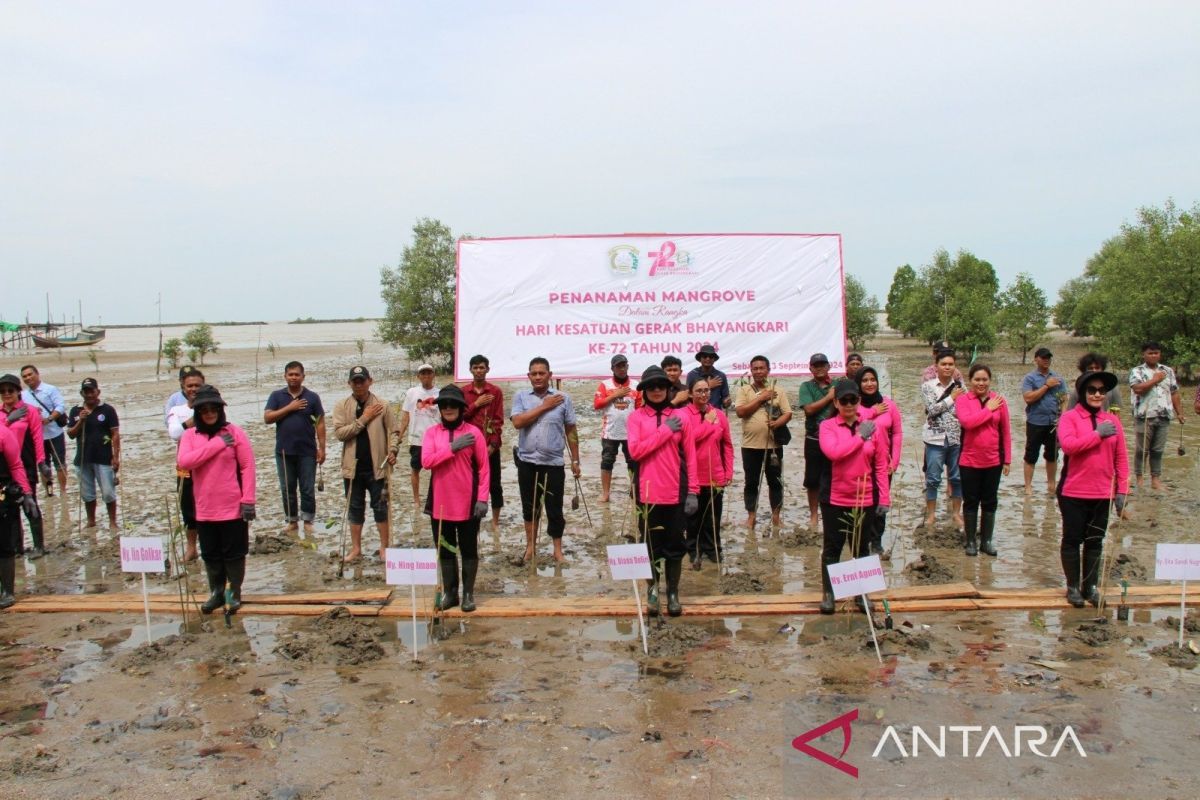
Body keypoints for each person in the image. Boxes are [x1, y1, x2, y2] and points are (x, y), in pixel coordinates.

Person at [176, 385, 256, 615]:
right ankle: (216, 593)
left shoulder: (235, 432)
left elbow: (247, 466)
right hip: (204, 507)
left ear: (220, 410)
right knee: (211, 553)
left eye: (214, 409)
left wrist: (248, 499)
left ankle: (233, 594)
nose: (209, 413)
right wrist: (218, 444)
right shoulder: (190, 436)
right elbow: (186, 462)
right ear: (198, 413)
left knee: (234, 554)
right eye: (204, 410)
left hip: (232, 506)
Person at [627, 366, 698, 616]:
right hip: (647, 493)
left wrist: (693, 491)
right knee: (650, 546)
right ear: (644, 391)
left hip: (675, 492)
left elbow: (691, 458)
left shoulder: (683, 417)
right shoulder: (635, 418)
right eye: (651, 387)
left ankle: (674, 593)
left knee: (676, 546)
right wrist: (665, 430)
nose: (656, 390)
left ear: (669, 389)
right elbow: (636, 451)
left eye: (661, 386)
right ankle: (653, 590)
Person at [817, 379, 889, 614]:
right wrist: (860, 437)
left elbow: (880, 465)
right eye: (844, 400)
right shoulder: (827, 426)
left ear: (859, 401)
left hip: (864, 498)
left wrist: (884, 498)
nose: (849, 405)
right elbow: (834, 453)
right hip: (835, 498)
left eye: (853, 400)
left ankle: (861, 594)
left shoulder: (872, 427)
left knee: (861, 548)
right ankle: (829, 594)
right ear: (836, 402)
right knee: (832, 547)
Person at [1057, 371, 1128, 607]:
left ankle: (1091, 586)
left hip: (1102, 492)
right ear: (1083, 393)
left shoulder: (1114, 421)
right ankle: (1073, 587)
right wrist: (1097, 435)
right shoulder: (1069, 418)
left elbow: (1121, 458)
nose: (1097, 394)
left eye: (1101, 390)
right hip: (1074, 491)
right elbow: (1069, 446)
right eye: (1092, 390)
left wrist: (1122, 490)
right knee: (1072, 539)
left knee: (1095, 541)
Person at [422, 384, 490, 612]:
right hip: (440, 503)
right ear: (439, 408)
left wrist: (482, 498)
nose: (449, 408)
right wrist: (452, 447)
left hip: (468, 503)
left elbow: (484, 468)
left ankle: (468, 594)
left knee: (469, 549)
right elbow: (427, 461)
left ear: (461, 408)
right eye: (444, 405)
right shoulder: (431, 433)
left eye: (454, 405)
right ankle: (451, 593)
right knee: (445, 548)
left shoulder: (474, 433)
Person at [510, 357, 580, 564]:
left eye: (542, 373)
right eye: (534, 373)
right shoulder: (521, 397)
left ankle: (557, 551)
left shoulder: (563, 398)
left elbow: (571, 431)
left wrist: (575, 460)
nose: (538, 377)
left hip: (554, 463)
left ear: (550, 375)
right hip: (527, 462)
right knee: (530, 507)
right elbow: (518, 422)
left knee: (554, 508)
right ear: (528, 376)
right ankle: (530, 548)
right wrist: (545, 406)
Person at [332, 366, 400, 563]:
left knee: (380, 507)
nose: (359, 384)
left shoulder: (383, 405)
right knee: (355, 508)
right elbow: (340, 434)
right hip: (352, 468)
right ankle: (356, 549)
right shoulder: (342, 406)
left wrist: (393, 451)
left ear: (370, 381)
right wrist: (364, 419)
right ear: (349, 383)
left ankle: (384, 547)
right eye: (355, 381)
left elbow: (394, 432)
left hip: (377, 467)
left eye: (362, 380)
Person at [955, 364, 1011, 557]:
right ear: (970, 381)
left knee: (990, 501)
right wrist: (988, 410)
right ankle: (970, 541)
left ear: (990, 380)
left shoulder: (1000, 401)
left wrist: (1008, 459)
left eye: (984, 379)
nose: (981, 383)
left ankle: (986, 541)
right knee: (970, 501)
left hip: (993, 460)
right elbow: (967, 423)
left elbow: (1006, 431)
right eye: (977, 379)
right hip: (969, 460)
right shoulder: (963, 400)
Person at [264, 361, 326, 534]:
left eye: (297, 374)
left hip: (307, 450)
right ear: (285, 376)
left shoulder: (312, 397)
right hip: (284, 451)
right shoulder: (277, 396)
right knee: (287, 487)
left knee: (307, 487)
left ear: (303, 377)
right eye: (290, 374)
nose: (293, 377)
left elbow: (320, 423)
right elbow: (268, 418)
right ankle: (292, 521)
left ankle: (307, 520)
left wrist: (322, 448)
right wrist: (290, 408)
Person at [735, 356, 791, 528]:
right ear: (751, 371)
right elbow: (740, 412)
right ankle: (751, 516)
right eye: (755, 368)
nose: (759, 371)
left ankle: (776, 516)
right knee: (751, 482)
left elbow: (787, 413)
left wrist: (778, 423)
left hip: (773, 446)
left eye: (762, 368)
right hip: (750, 446)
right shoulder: (744, 390)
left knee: (775, 481)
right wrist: (761, 398)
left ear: (768, 370)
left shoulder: (778, 390)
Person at [683, 373, 733, 567]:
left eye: (706, 390)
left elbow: (727, 445)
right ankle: (693, 550)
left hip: (715, 475)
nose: (703, 394)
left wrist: (728, 472)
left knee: (713, 516)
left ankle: (712, 549)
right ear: (690, 394)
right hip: (693, 476)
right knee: (693, 518)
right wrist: (706, 423)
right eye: (699, 391)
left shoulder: (719, 414)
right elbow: (689, 440)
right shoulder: (684, 415)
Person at [855, 367, 902, 557]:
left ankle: (876, 541)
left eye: (872, 379)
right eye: (864, 380)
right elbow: (853, 423)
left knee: (881, 502)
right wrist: (872, 412)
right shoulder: (853, 404)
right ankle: (860, 541)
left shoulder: (889, 405)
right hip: (859, 464)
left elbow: (897, 433)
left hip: (883, 465)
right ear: (858, 383)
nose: (869, 384)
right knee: (861, 504)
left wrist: (895, 461)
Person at [1129, 341, 1184, 491]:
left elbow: (1174, 392)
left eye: (1156, 353)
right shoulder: (1137, 371)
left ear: (1160, 354)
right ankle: (1139, 479)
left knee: (1158, 450)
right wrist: (1155, 379)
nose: (1154, 356)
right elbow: (1138, 389)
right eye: (1150, 353)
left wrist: (1179, 413)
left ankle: (1155, 480)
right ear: (1144, 354)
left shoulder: (1168, 371)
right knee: (1142, 450)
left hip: (1164, 415)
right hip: (1144, 415)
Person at [67, 378, 120, 531]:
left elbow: (115, 434)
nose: (89, 394)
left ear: (98, 392)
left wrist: (115, 457)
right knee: (87, 493)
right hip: (83, 459)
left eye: (92, 391)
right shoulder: (75, 411)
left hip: (103, 458)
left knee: (109, 492)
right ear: (81, 393)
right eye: (86, 391)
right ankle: (91, 521)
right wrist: (80, 421)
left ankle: (112, 522)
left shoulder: (107, 410)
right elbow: (71, 434)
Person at [0, 374, 44, 557]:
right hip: (4, 468)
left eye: (11, 390)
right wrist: (9, 420)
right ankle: (17, 546)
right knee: (9, 508)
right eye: (3, 391)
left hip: (25, 465)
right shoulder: (1, 414)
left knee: (29, 502)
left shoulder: (29, 411)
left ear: (19, 391)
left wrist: (42, 462)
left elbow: (37, 437)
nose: (7, 394)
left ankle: (39, 545)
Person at [461, 354, 505, 531]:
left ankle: (495, 520)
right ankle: (472, 517)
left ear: (488, 369)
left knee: (494, 484)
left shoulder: (495, 392)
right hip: (469, 446)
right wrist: (476, 404)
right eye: (475, 367)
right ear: (470, 370)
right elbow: (461, 417)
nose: (479, 371)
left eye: (482, 367)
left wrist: (492, 445)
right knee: (471, 483)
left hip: (490, 447)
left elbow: (498, 420)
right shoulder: (464, 392)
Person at [921, 350, 963, 530]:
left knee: (957, 478)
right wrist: (951, 399)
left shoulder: (961, 386)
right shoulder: (928, 386)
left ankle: (955, 513)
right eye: (944, 364)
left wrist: (948, 405)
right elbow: (931, 410)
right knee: (932, 478)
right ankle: (931, 515)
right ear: (936, 366)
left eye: (950, 364)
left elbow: (962, 411)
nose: (947, 367)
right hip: (934, 439)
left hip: (956, 438)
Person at [167, 368, 205, 561]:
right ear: (183, 386)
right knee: (188, 509)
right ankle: (191, 548)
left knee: (207, 506)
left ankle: (207, 545)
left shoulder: (210, 407)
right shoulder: (177, 410)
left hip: (208, 467)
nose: (193, 389)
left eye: (197, 385)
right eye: (190, 386)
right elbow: (174, 434)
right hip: (185, 468)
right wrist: (192, 421)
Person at [594, 354, 640, 503]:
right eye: (618, 366)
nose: (621, 369)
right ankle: (606, 493)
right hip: (610, 432)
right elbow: (597, 405)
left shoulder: (635, 385)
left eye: (623, 365)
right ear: (612, 368)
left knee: (633, 462)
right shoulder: (605, 385)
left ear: (628, 366)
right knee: (607, 462)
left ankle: (634, 492)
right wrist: (615, 395)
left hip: (631, 433)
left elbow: (640, 409)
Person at [1020, 347, 1066, 495]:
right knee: (1031, 454)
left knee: (1053, 455)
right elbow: (1028, 398)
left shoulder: (1058, 378)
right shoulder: (1030, 378)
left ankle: (1051, 485)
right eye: (1043, 357)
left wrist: (1063, 417)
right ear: (1036, 359)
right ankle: (1028, 486)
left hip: (1053, 423)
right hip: (1035, 421)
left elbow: (1064, 399)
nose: (1046, 360)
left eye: (1048, 357)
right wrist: (1046, 386)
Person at [798, 352, 836, 530]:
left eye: (823, 365)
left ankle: (830, 513)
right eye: (816, 365)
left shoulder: (838, 384)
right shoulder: (806, 386)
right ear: (810, 368)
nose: (820, 368)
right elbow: (809, 410)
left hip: (836, 439)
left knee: (833, 477)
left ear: (829, 367)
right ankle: (814, 516)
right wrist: (829, 398)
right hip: (813, 438)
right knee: (812, 480)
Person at [0, 425, 36, 608]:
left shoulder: (3, 433)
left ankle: (8, 591)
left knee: (4, 544)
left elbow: (15, 465)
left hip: (2, 495)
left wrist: (27, 494)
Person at [20, 365, 68, 498]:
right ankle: (50, 492)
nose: (28, 378)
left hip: (55, 432)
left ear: (37, 373)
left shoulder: (50, 389)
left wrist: (49, 418)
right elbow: (22, 412)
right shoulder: (23, 395)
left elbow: (61, 406)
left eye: (30, 374)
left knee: (60, 463)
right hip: (37, 436)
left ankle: (63, 491)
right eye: (24, 376)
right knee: (43, 465)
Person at [397, 364, 439, 507]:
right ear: (418, 376)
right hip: (417, 439)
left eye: (429, 373)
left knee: (437, 471)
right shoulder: (412, 393)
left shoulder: (440, 394)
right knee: (415, 469)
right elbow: (405, 416)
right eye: (423, 373)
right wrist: (399, 436)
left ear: (433, 375)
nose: (426, 376)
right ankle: (416, 500)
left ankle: (434, 498)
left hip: (435, 440)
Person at [687, 345, 731, 411]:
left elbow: (725, 398)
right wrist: (708, 386)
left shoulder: (721, 376)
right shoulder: (692, 375)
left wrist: (727, 402)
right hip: (696, 413)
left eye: (711, 357)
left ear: (714, 359)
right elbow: (688, 397)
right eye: (705, 356)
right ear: (700, 359)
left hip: (715, 414)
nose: (708, 359)